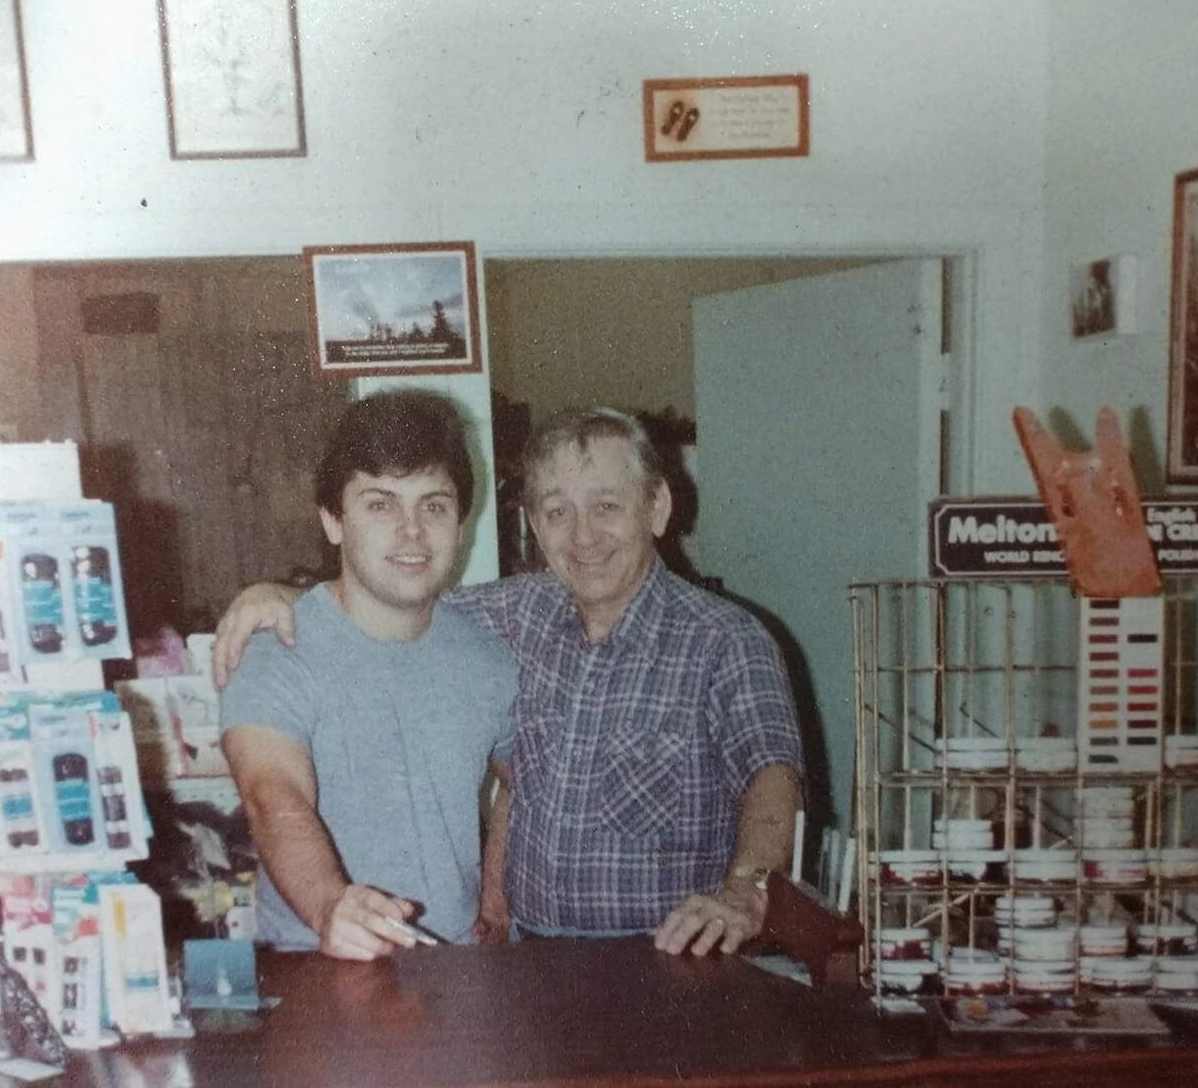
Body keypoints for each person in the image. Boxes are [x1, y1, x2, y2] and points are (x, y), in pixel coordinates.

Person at [214, 408, 804, 957]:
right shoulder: (514, 616)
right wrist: (282, 596)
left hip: (666, 958)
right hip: (519, 959)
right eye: (556, 512)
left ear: (656, 507)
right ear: (534, 526)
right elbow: (387, 603)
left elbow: (772, 775)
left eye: (605, 506)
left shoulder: (729, 639)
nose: (582, 537)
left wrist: (747, 889)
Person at [218, 390, 518, 961]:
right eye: (381, 504)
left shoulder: (488, 657)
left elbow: (523, 775)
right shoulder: (276, 646)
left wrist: (495, 895)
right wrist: (331, 903)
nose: (411, 531)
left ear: (461, 522)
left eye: (433, 505)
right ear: (333, 520)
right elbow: (272, 796)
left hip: (453, 965)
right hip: (318, 960)